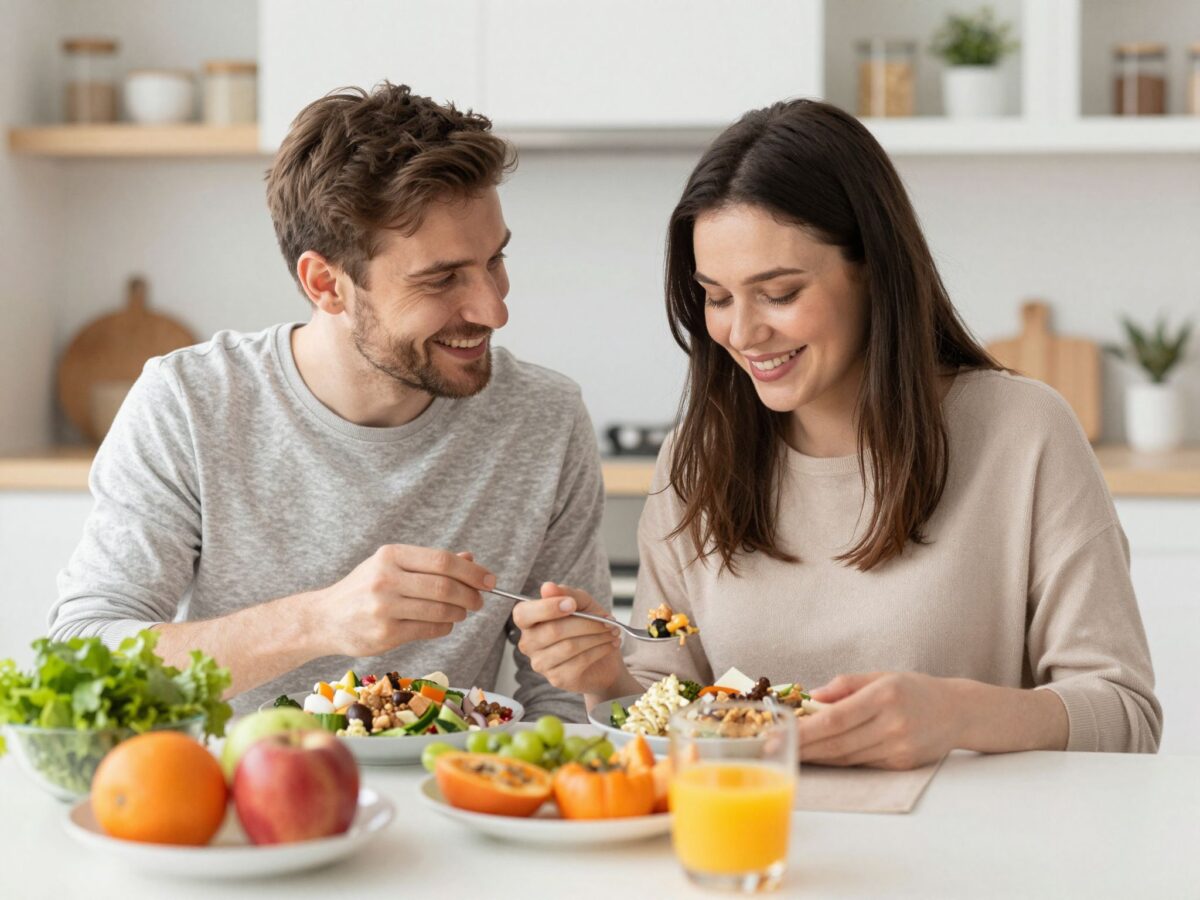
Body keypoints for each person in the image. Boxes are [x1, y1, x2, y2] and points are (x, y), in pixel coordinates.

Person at [514, 98, 1162, 765]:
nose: (742, 332)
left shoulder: (1024, 434)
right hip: (752, 847)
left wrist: (958, 713)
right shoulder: (696, 460)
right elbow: (668, 704)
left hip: (970, 852)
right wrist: (606, 680)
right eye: (716, 295)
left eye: (780, 292)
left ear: (874, 271)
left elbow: (1124, 713)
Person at [49, 83, 611, 720]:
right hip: (235, 800)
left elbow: (562, 701)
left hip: (450, 798)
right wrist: (318, 621)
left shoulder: (544, 418)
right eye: (442, 278)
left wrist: (594, 671)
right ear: (326, 284)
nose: (494, 308)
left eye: (495, 260)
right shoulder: (191, 403)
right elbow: (79, 659)